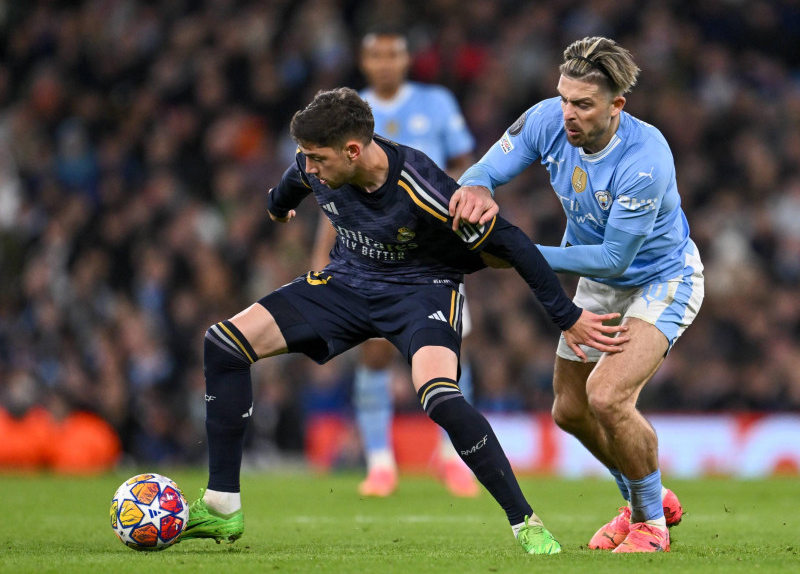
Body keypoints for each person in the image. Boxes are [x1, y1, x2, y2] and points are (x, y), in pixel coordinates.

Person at [180, 88, 630, 554]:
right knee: (224, 343)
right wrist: (277, 205)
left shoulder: (425, 188)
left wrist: (567, 315)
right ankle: (222, 504)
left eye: (317, 158)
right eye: (305, 156)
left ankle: (525, 522)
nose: (309, 167)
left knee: (439, 395)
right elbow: (294, 180)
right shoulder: (315, 167)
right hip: (348, 283)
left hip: (423, 290)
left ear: (353, 151)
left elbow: (514, 244)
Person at [449, 37, 704, 553]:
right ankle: (642, 496)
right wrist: (476, 185)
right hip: (601, 283)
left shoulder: (646, 157)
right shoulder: (548, 119)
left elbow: (616, 259)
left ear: (617, 106)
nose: (568, 112)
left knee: (607, 395)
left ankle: (650, 524)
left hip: (660, 279)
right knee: (569, 410)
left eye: (583, 104)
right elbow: (487, 168)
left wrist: (521, 251)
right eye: (565, 97)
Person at [309, 29, 479, 498]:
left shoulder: (438, 102)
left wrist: (466, 221)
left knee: (453, 345)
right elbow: (327, 190)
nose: (385, 63)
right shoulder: (344, 111)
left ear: (407, 59)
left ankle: (453, 456)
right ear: (364, 62)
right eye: (376, 55)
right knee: (376, 347)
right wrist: (317, 256)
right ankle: (381, 462)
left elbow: (466, 168)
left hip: (436, 250)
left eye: (394, 54)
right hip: (369, 249)